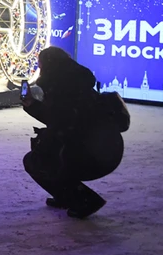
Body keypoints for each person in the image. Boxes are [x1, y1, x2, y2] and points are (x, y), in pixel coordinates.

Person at [22, 46, 124, 219]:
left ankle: (85, 201)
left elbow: (61, 122)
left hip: (92, 154)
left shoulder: (60, 90)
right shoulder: (79, 83)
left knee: (37, 161)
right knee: (46, 157)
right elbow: (61, 118)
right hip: (110, 148)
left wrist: (32, 107)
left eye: (41, 66)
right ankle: (67, 197)